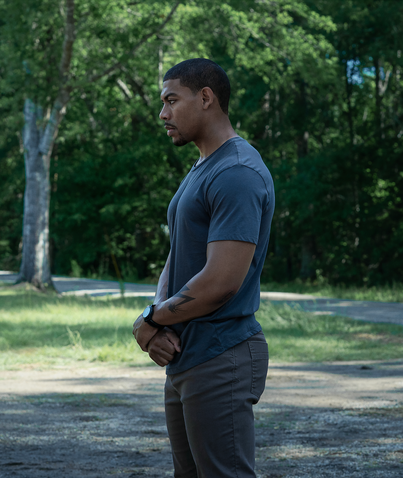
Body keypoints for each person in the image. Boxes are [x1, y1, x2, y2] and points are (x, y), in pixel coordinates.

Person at [132, 59, 275, 478]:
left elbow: (220, 282)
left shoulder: (236, 172)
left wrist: (149, 320)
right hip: (187, 355)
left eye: (171, 100)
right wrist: (157, 323)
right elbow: (177, 257)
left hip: (221, 353)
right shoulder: (203, 167)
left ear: (207, 98)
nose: (163, 114)